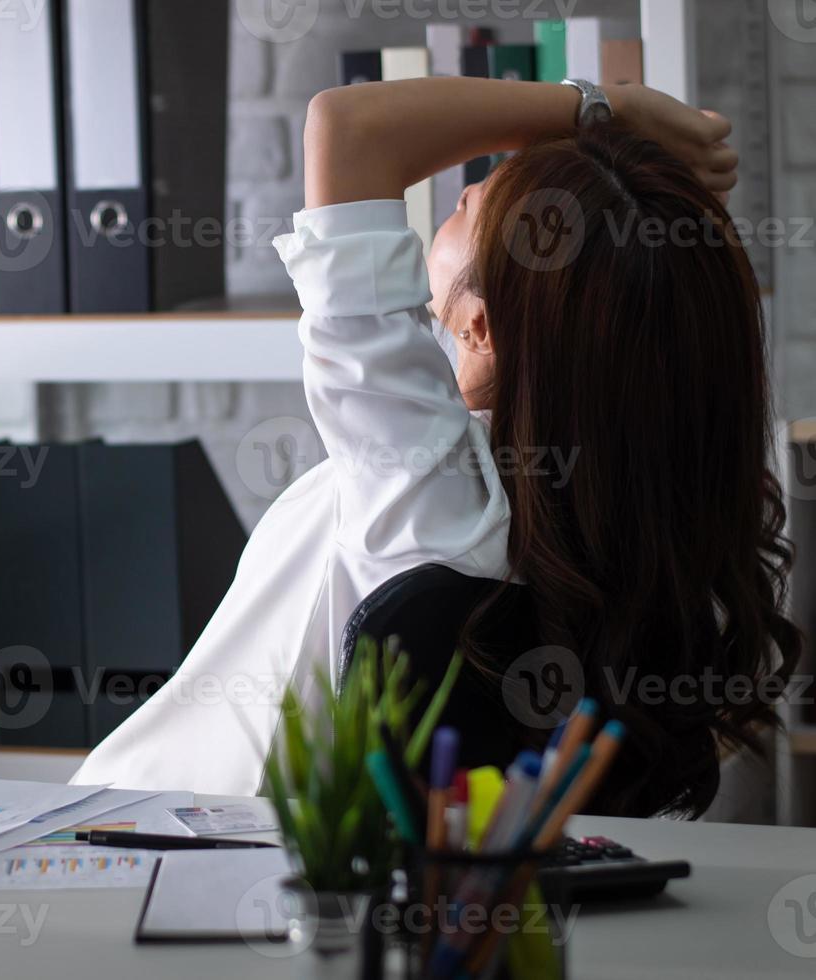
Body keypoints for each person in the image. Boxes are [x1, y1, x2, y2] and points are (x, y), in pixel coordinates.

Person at [71, 76, 798, 818]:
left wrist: (602, 105)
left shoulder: (429, 484)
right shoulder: (638, 513)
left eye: (465, 206)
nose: (451, 197)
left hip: (146, 846)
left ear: (479, 326)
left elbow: (348, 127)